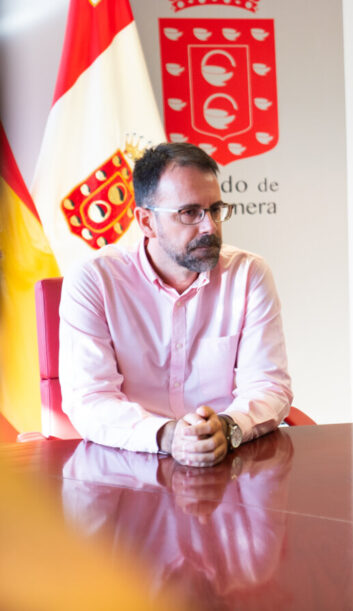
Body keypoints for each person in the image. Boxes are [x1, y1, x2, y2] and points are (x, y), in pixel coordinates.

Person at [59, 142, 292, 468]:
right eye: (190, 213)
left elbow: (269, 386)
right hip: (130, 468)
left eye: (215, 210)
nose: (210, 227)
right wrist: (168, 436)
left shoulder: (247, 274)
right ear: (146, 222)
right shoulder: (95, 280)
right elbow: (90, 399)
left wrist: (228, 427)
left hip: (226, 463)